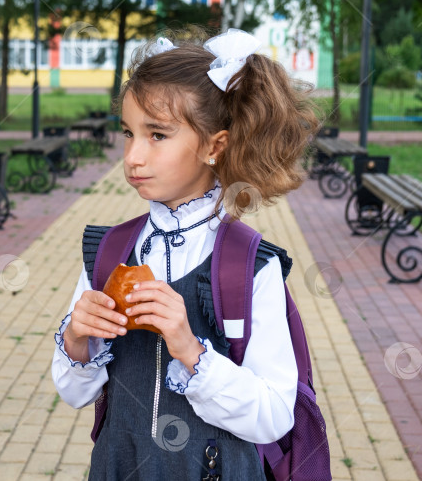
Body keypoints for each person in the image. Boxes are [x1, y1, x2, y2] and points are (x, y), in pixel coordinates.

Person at [51, 27, 320, 480]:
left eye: (157, 135)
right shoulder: (109, 252)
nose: (133, 156)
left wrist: (192, 352)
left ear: (215, 145)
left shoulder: (249, 266)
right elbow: (75, 393)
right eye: (128, 133)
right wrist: (77, 341)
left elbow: (274, 415)